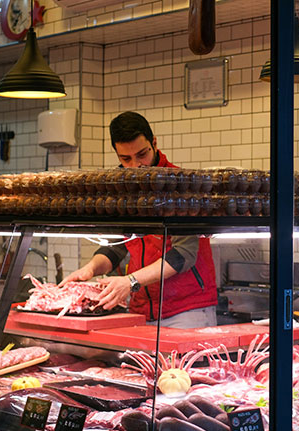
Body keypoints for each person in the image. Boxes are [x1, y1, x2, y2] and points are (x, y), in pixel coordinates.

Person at [60, 111, 218, 328]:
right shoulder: (122, 190)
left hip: (187, 310)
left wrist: (130, 281)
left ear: (154, 143)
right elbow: (117, 247)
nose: (136, 165)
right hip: (140, 310)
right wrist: (90, 268)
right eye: (126, 159)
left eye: (142, 154)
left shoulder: (181, 186)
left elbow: (184, 255)